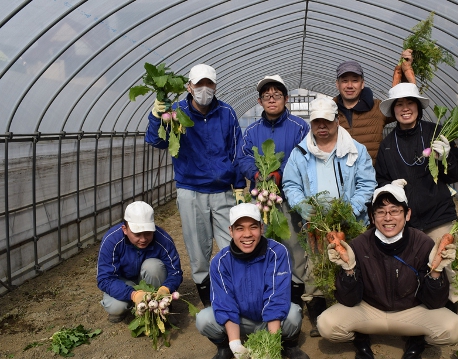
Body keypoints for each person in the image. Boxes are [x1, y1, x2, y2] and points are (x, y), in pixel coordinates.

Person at [317, 180, 458, 359]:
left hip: (411, 312)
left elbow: (435, 302)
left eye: (395, 211)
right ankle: (361, 338)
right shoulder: (359, 245)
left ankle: (416, 340)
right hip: (370, 311)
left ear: (407, 214)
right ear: (372, 216)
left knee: (454, 329)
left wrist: (436, 271)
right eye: (381, 211)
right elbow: (348, 300)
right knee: (326, 324)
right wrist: (349, 269)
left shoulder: (423, 244)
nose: (388, 218)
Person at [145, 64, 246, 307]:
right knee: (198, 248)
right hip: (190, 190)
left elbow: (236, 150)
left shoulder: (226, 112)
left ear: (215, 86)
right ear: (189, 87)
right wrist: (156, 115)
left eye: (209, 84)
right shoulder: (176, 112)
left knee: (232, 243)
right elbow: (156, 140)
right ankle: (208, 296)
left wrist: (240, 186)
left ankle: (235, 291)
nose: (204, 89)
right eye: (199, 84)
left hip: (223, 190)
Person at [282, 95, 377, 336]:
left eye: (326, 121)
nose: (321, 127)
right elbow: (291, 184)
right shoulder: (300, 153)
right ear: (311, 124)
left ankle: (355, 316)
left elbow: (367, 185)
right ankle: (319, 316)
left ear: (337, 121)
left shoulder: (356, 151)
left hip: (351, 224)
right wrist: (302, 206)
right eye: (316, 122)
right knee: (317, 269)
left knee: (349, 264)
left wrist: (350, 210)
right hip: (316, 226)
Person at [374, 82, 458, 313]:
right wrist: (389, 187)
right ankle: (419, 317)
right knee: (414, 268)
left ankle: (450, 311)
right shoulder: (387, 145)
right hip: (408, 221)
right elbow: (381, 180)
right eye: (399, 105)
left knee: (445, 264)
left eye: (410, 103)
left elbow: (456, 174)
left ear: (418, 107)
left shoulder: (437, 133)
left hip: (438, 216)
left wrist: (447, 157)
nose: (405, 108)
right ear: (393, 111)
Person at [195, 203, 311, 359]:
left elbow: (276, 298)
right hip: (240, 320)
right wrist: (235, 344)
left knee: (293, 315)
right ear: (231, 231)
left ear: (262, 228)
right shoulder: (220, 262)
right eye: (240, 228)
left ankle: (289, 346)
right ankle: (225, 348)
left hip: (268, 320)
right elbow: (225, 304)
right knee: (204, 319)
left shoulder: (277, 253)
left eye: (253, 227)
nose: (247, 234)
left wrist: (271, 346)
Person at [235, 75, 309, 319]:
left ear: (286, 99)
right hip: (262, 199)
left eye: (277, 95)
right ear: (259, 101)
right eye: (266, 96)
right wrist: (257, 173)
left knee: (294, 246)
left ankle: (296, 298)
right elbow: (243, 157)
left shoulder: (300, 127)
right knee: (262, 245)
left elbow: (304, 156)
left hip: (290, 198)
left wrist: (282, 173)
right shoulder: (253, 130)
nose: (272, 100)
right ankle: (267, 293)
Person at [97, 201, 183, 323]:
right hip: (124, 282)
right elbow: (104, 279)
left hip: (151, 281)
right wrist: (133, 294)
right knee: (116, 307)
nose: (143, 239)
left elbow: (175, 272)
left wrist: (166, 288)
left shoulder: (163, 240)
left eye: (148, 233)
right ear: (125, 229)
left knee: (153, 267)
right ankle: (136, 304)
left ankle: (159, 304)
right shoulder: (111, 241)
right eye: (137, 234)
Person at [333, 60, 395, 162]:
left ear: (362, 84)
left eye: (355, 80)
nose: (349, 85)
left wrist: (406, 71)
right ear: (337, 84)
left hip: (374, 174)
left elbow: (406, 108)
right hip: (341, 176)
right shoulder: (330, 111)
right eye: (344, 81)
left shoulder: (378, 107)